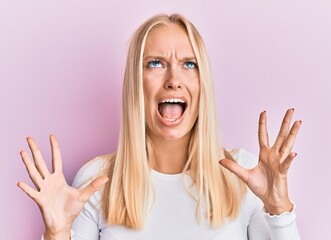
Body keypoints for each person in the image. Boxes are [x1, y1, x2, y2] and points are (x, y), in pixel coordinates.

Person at [17, 13, 302, 240]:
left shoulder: (245, 176)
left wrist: (279, 209)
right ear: (135, 84)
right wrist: (56, 233)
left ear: (203, 84)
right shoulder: (98, 181)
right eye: (155, 63)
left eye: (189, 64)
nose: (173, 79)